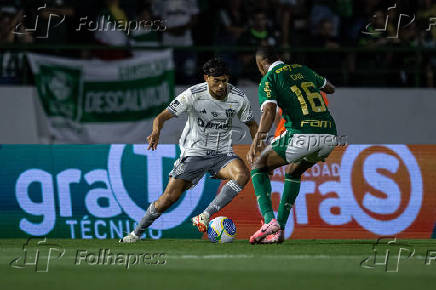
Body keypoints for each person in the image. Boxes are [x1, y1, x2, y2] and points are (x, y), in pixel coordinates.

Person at [120, 58, 259, 243]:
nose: (221, 86)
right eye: (216, 81)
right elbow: (162, 116)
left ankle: (205, 215)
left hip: (222, 154)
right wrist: (155, 131)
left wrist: (258, 145)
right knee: (168, 199)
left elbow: (252, 124)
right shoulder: (193, 94)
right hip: (194, 154)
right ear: (206, 78)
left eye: (224, 81)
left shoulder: (238, 97)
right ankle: (135, 233)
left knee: (242, 174)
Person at [247, 47, 337, 244]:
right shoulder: (303, 70)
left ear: (262, 65)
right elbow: (330, 88)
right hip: (330, 134)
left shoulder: (269, 79)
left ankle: (269, 221)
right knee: (294, 171)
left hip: (302, 134)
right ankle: (278, 231)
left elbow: (269, 110)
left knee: (258, 164)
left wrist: (257, 140)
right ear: (279, 58)